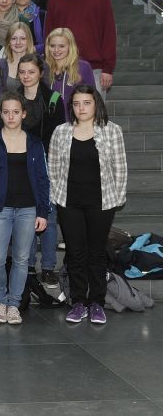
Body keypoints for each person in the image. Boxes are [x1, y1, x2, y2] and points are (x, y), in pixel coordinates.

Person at [48, 85, 127, 324]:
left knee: (97, 253)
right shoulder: (61, 132)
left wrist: (118, 197)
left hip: (102, 202)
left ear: (96, 104)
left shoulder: (112, 131)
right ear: (71, 107)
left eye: (86, 103)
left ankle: (97, 304)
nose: (81, 108)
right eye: (76, 104)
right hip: (69, 202)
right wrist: (55, 195)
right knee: (75, 253)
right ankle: (79, 302)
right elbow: (52, 167)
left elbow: (120, 168)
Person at [0, 91, 49, 325]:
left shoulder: (34, 142)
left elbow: (42, 179)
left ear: (23, 114)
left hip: (28, 209)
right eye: (6, 112)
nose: (11, 116)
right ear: (0, 114)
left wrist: (42, 211)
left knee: (21, 259)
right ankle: (0, 300)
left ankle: (14, 304)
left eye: (16, 112)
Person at [17, 53, 65, 285]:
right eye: (22, 72)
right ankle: (26, 265)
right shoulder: (12, 99)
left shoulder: (54, 99)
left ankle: (48, 266)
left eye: (31, 72)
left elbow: (60, 138)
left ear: (40, 73)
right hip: (19, 164)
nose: (26, 76)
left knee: (48, 215)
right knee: (25, 216)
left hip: (47, 164)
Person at [44, 0, 116, 97]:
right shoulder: (55, 0)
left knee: (95, 117)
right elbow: (49, 36)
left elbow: (109, 33)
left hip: (95, 68)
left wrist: (107, 69)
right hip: (61, 68)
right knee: (61, 117)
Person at [44, 28, 96, 121]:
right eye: (52, 46)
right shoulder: (44, 68)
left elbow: (93, 98)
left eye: (61, 46)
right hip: (50, 125)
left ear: (70, 46)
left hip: (76, 124)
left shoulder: (83, 67)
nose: (56, 50)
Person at [0, 22, 35, 98]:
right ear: (8, 41)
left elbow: (42, 95)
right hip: (5, 108)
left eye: (23, 38)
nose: (18, 42)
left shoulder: (40, 65)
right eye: (14, 38)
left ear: (29, 41)